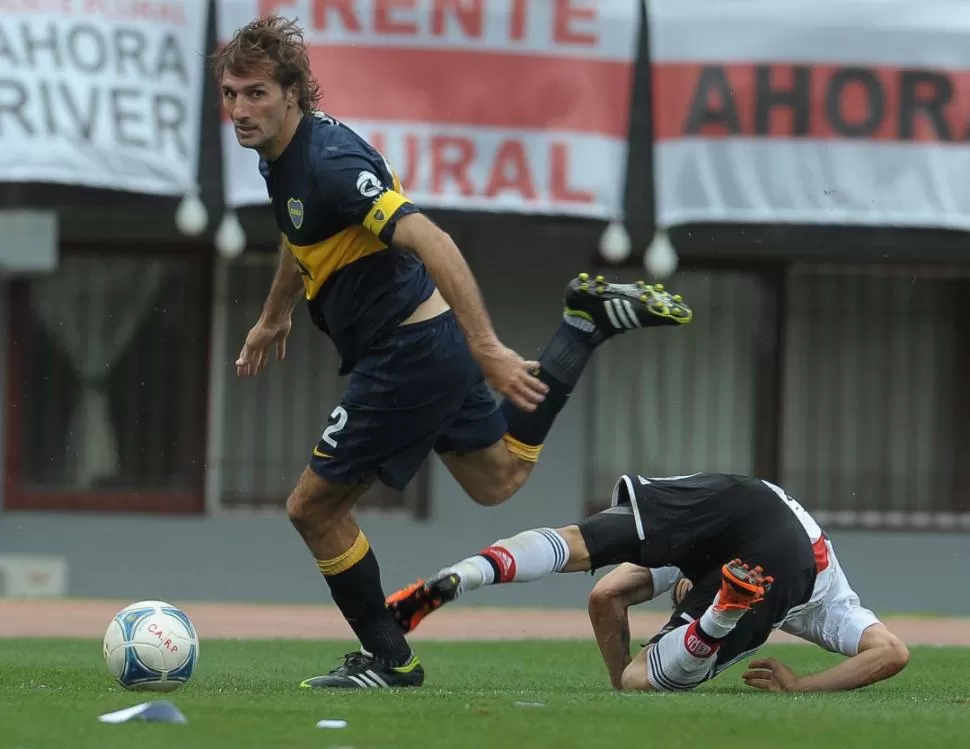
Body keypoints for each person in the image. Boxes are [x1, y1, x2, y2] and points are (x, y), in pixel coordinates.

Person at [212, 16, 693, 690]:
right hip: (425, 346)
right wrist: (273, 316)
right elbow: (302, 235)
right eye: (230, 94)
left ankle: (390, 659)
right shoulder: (285, 154)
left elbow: (431, 238)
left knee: (312, 508)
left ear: (292, 92)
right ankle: (581, 330)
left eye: (256, 93)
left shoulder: (329, 164)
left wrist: (487, 345)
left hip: (404, 352)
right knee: (498, 478)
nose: (239, 109)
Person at [387, 472, 910, 692]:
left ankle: (469, 572)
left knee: (582, 546)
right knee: (644, 678)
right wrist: (801, 686)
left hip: (744, 495)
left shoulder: (825, 597)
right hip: (784, 558)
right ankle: (721, 613)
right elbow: (892, 651)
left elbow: (605, 598)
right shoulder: (833, 601)